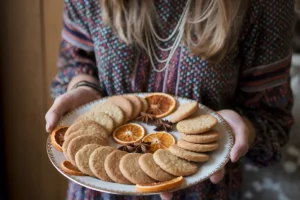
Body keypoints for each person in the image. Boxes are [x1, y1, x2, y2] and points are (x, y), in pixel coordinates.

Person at [45, 0, 295, 199]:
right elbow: (78, 62)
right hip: (96, 186)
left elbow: (271, 123)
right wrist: (83, 87)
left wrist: (240, 129)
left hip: (205, 188)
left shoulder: (266, 4)